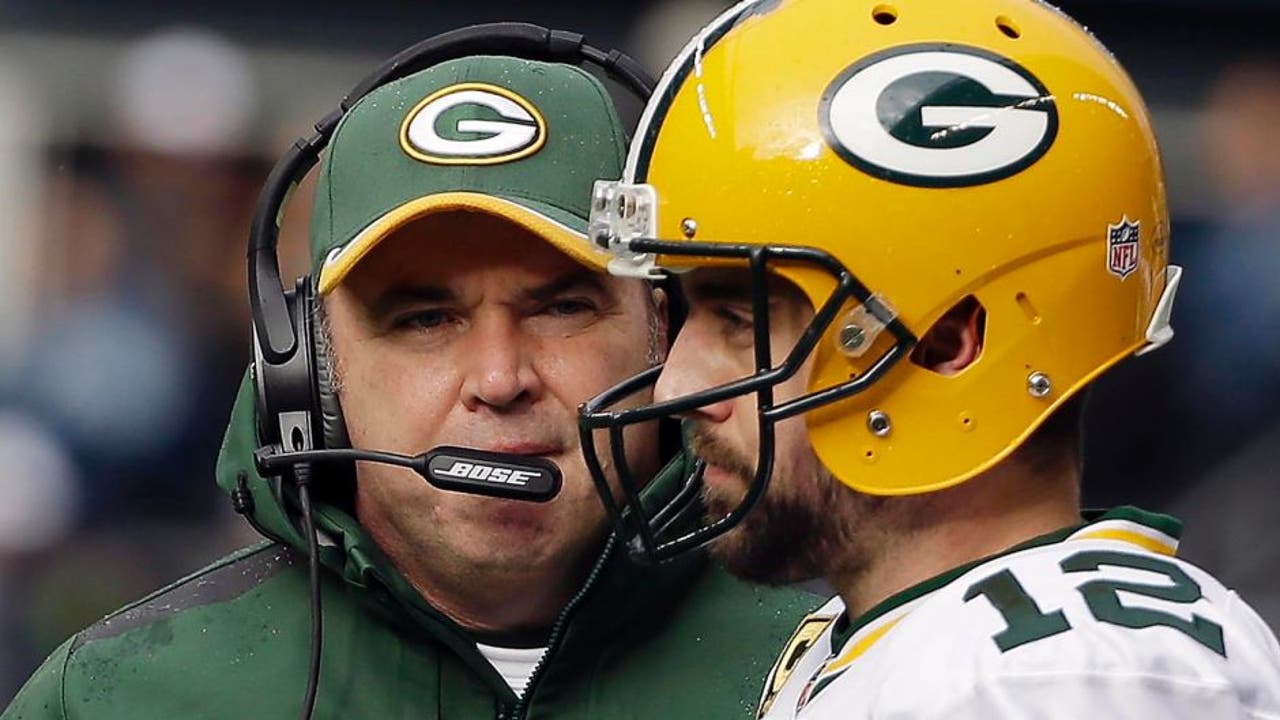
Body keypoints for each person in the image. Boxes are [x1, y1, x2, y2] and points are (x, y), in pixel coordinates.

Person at [3, 46, 818, 719]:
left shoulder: (842, 673)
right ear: (310, 372)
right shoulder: (117, 700)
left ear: (666, 331)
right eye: (426, 320)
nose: (499, 378)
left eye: (562, 307)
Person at [577, 0, 1280, 716]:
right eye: (689, 309)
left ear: (947, 343)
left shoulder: (1053, 679)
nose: (678, 383)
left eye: (739, 320)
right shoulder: (940, 645)